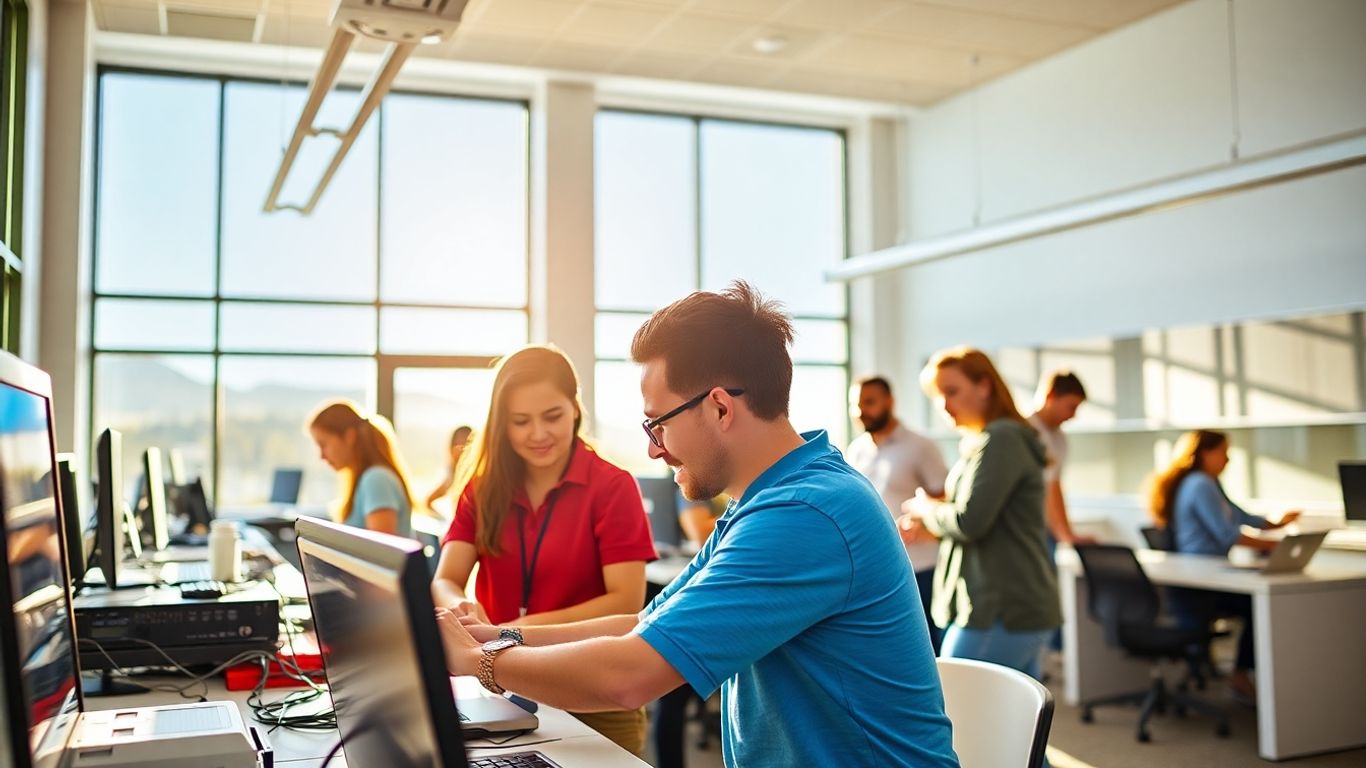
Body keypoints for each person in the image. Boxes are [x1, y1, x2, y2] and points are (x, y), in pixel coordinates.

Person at [435, 283, 958, 768]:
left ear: (719, 407)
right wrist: (500, 634)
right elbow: (643, 624)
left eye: (657, 422)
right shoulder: (765, 503)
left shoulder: (805, 513)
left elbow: (630, 675)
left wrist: (481, 660)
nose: (652, 447)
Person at [430, 345, 657, 754]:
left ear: (574, 408)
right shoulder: (481, 488)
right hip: (501, 690)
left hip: (594, 697)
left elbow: (626, 600)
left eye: (552, 416)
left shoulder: (612, 486)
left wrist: (516, 633)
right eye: (520, 422)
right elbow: (446, 578)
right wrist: (460, 607)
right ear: (503, 424)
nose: (538, 434)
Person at [902, 347, 1060, 682]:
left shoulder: (1001, 439)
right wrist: (933, 523)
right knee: (1011, 729)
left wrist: (926, 508)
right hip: (1004, 605)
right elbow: (985, 523)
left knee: (960, 716)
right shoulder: (992, 440)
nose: (944, 405)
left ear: (984, 386)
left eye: (952, 391)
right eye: (938, 396)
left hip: (1001, 608)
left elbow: (969, 522)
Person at [1147, 429, 1300, 703]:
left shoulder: (1209, 483)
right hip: (1201, 579)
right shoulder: (1199, 484)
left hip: (1206, 573)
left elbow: (1242, 517)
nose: (1228, 460)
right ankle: (1241, 674)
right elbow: (1228, 534)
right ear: (1205, 453)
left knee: (1261, 601)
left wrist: (1276, 524)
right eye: (1224, 453)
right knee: (1259, 606)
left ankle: (1250, 675)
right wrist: (1274, 546)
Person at [845, 374, 950, 653]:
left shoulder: (921, 447)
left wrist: (920, 521)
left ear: (889, 401)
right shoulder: (856, 451)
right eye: (854, 404)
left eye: (869, 402)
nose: (860, 411)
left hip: (922, 567)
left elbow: (945, 501)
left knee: (930, 647)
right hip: (877, 568)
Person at [307, 400, 415, 537]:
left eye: (323, 444)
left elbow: (381, 552)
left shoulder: (376, 479)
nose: (321, 456)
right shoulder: (366, 479)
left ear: (349, 436)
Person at [1028, 370, 1096, 547]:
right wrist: (1065, 534)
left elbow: (1055, 485)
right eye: (1071, 406)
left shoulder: (1059, 438)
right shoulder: (1028, 431)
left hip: (1045, 529)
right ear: (1051, 396)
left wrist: (1066, 532)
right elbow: (1047, 486)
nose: (1073, 415)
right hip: (1028, 528)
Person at [424, 425, 472, 510]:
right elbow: (428, 501)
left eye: (465, 445)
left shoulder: (478, 477)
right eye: (457, 444)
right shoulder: (451, 474)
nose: (460, 450)